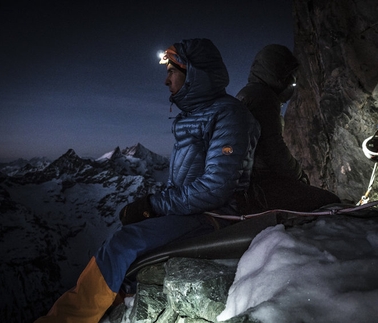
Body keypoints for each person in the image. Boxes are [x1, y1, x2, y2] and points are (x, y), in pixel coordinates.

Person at [34, 38, 260, 322]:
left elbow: (216, 187)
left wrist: (154, 204)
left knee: (123, 242)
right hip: (194, 211)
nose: (166, 81)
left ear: (194, 74)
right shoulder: (196, 116)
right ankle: (110, 303)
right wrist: (154, 207)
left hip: (215, 215)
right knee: (127, 237)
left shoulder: (228, 115)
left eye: (172, 72)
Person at [237, 44, 340, 212]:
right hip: (261, 185)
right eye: (291, 75)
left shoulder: (248, 93)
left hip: (250, 182)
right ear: (279, 73)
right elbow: (272, 147)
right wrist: (298, 175)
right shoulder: (263, 97)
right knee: (330, 202)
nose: (294, 80)